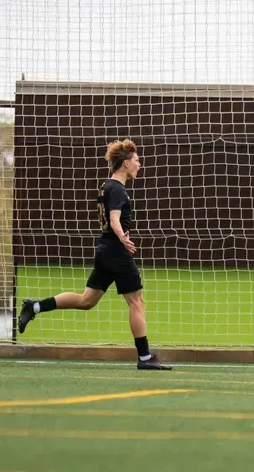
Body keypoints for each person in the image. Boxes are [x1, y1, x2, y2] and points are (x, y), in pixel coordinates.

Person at [18, 138, 172, 371]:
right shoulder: (118, 189)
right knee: (137, 301)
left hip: (104, 250)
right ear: (126, 164)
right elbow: (114, 219)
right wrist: (122, 237)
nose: (140, 165)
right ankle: (145, 358)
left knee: (86, 300)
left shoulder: (105, 186)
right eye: (137, 161)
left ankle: (35, 306)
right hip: (116, 251)